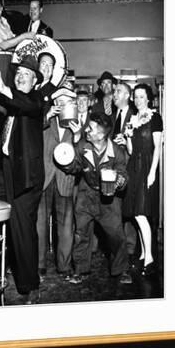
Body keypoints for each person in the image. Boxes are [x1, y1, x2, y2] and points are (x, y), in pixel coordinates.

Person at [0, 57, 45, 304]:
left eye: (27, 74)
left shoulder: (37, 100)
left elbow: (22, 103)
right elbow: (8, 100)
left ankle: (31, 285)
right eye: (19, 73)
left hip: (26, 176)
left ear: (36, 81)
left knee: (22, 232)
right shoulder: (14, 102)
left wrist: (1, 88)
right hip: (7, 171)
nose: (20, 76)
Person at [62, 112, 133, 285]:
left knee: (116, 235)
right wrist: (67, 163)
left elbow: (123, 174)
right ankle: (79, 270)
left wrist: (119, 181)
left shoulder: (116, 151)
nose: (87, 130)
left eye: (91, 128)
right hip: (87, 194)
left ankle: (121, 269)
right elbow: (76, 166)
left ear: (101, 135)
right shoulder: (83, 146)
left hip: (109, 198)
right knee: (81, 234)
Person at [122, 83, 164, 276]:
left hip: (147, 167)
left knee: (141, 213)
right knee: (137, 213)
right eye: (135, 97)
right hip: (134, 168)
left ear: (148, 98)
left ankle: (150, 258)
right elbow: (131, 151)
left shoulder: (155, 118)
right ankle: (142, 255)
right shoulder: (132, 118)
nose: (138, 100)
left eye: (141, 97)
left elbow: (158, 147)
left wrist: (153, 172)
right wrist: (128, 137)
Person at [39, 87, 79, 279]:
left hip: (65, 179)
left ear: (73, 104)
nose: (63, 106)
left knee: (66, 225)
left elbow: (81, 155)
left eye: (67, 102)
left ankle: (64, 265)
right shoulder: (46, 121)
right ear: (55, 105)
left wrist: (78, 136)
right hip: (45, 178)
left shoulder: (77, 126)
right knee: (40, 223)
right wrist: (46, 116)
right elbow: (30, 135)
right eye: (60, 103)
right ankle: (39, 264)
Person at [111, 81, 139, 262]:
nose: (114, 94)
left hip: (130, 168)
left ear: (128, 96)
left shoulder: (135, 116)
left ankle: (130, 250)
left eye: (118, 92)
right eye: (115, 92)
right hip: (116, 168)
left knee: (129, 209)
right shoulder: (114, 115)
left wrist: (128, 141)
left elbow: (140, 145)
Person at [0, 0, 35, 87]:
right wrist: (24, 36)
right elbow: (3, 45)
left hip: (9, 59)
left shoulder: (4, 21)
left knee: (9, 93)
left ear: (2, 8)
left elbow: (12, 40)